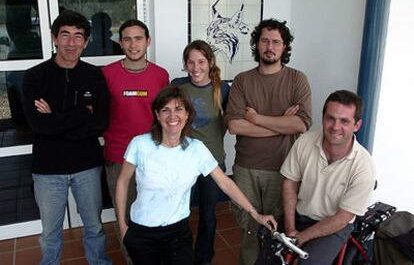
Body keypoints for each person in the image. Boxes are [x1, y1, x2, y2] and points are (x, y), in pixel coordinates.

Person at [115, 86, 277, 265]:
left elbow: (225, 183)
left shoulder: (196, 149)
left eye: (179, 109)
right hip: (141, 233)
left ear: (187, 115)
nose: (172, 116)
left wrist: (255, 214)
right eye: (165, 110)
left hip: (177, 233)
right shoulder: (140, 144)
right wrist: (122, 225)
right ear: (157, 115)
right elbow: (122, 182)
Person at [22, 10, 111, 265]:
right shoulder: (35, 76)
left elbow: (101, 124)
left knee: (94, 226)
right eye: (65, 35)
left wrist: (56, 119)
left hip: (87, 166)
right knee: (50, 233)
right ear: (54, 38)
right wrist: (83, 112)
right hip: (48, 168)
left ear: (86, 42)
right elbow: (38, 125)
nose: (71, 43)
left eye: (78, 36)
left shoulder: (94, 76)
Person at [224, 18, 312, 264]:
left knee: (278, 230)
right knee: (250, 229)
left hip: (283, 169)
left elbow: (301, 124)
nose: (269, 46)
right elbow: (234, 126)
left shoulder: (297, 80)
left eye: (276, 42)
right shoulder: (242, 80)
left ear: (284, 47)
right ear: (257, 44)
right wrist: (279, 125)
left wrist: (256, 118)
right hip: (245, 168)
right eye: (264, 40)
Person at [280, 90, 376, 264]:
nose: (335, 126)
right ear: (323, 118)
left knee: (308, 263)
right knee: (269, 257)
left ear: (357, 125)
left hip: (334, 226)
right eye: (330, 118)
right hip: (300, 217)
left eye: (344, 121)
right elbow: (289, 183)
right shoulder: (304, 142)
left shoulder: (364, 166)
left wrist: (299, 239)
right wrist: (290, 229)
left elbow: (342, 218)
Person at [102, 19, 169, 262]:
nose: (133, 44)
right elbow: (95, 112)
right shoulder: (107, 74)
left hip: (153, 156)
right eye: (127, 39)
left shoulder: (161, 75)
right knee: (126, 216)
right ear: (120, 43)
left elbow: (166, 115)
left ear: (148, 41)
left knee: (153, 214)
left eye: (138, 38)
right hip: (119, 157)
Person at [171, 40, 230, 264]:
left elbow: (227, 122)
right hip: (182, 163)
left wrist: (211, 145)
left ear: (210, 62)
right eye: (191, 62)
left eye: (201, 62)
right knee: (180, 214)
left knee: (208, 216)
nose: (196, 68)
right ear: (185, 64)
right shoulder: (178, 86)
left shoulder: (222, 88)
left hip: (212, 163)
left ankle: (203, 259)